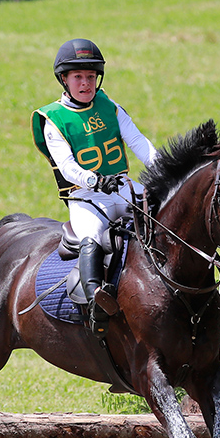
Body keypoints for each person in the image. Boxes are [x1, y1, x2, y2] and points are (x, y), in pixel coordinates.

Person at [31, 38, 159, 335]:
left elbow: (139, 142)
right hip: (86, 197)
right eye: (78, 77)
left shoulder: (108, 106)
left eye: (90, 77)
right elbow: (67, 166)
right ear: (64, 79)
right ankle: (94, 300)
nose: (85, 83)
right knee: (92, 237)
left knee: (168, 213)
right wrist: (95, 180)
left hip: (123, 187)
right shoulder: (53, 119)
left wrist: (167, 169)